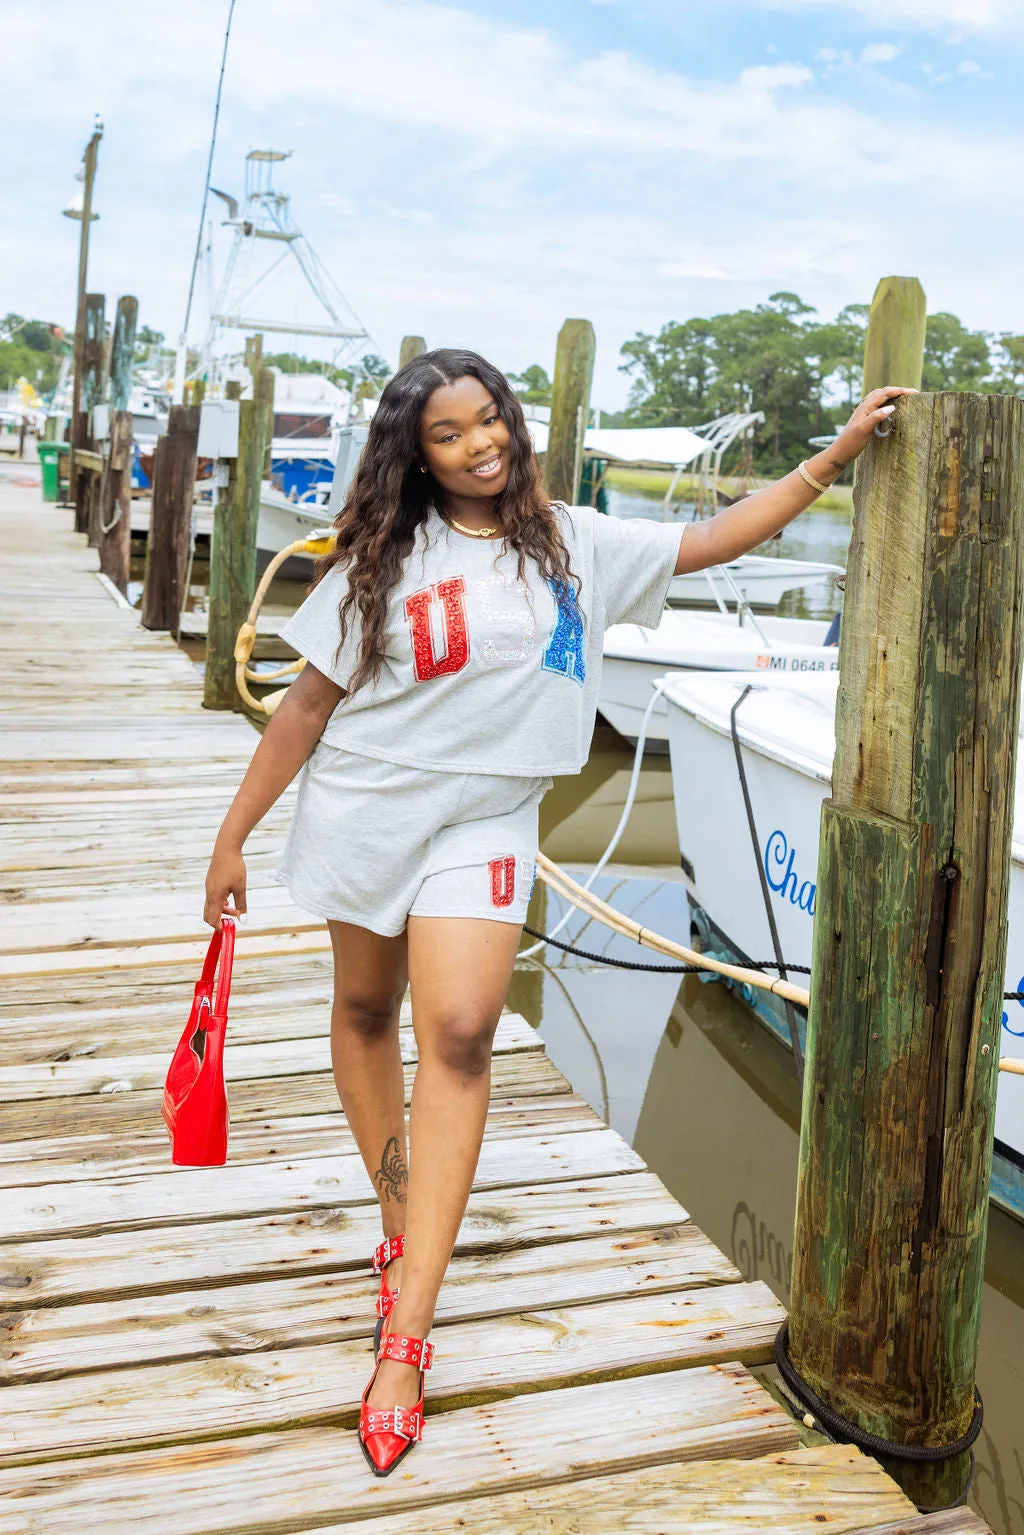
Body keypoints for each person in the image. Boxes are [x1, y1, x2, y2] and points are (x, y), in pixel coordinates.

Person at [203, 349, 911, 1475]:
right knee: (364, 1008)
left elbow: (717, 536)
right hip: (368, 807)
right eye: (450, 432)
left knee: (465, 1029)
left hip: (487, 819)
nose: (481, 443)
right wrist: (232, 836)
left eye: (491, 419)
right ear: (414, 452)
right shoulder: (381, 556)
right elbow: (305, 704)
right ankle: (402, 1213)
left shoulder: (571, 538)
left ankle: (408, 1328)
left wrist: (829, 459)